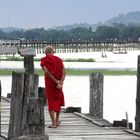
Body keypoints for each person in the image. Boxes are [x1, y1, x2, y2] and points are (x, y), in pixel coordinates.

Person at [40, 46, 66, 128]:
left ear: (45, 52)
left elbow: (47, 72)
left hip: (50, 82)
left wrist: (55, 81)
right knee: (58, 101)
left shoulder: (44, 59)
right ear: (52, 51)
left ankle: (53, 123)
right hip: (59, 83)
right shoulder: (59, 59)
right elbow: (64, 72)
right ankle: (57, 120)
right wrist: (60, 83)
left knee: (51, 101)